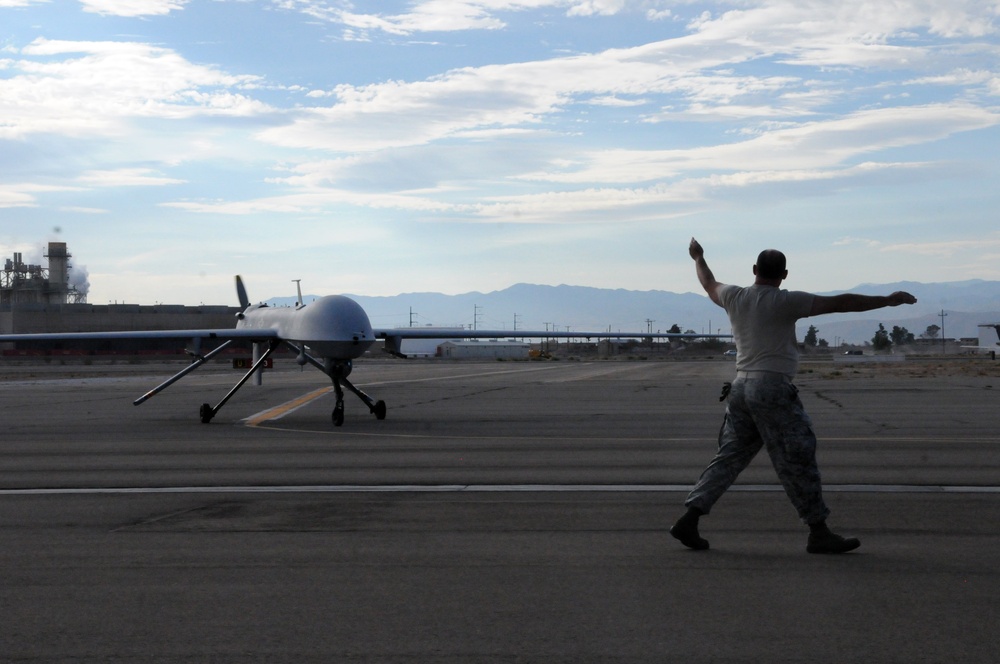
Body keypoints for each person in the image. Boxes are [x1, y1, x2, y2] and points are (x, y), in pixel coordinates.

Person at [671, 238, 917, 554]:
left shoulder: (734, 296)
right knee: (797, 457)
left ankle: (690, 519)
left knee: (730, 456)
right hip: (771, 389)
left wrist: (698, 257)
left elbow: (708, 283)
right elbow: (841, 302)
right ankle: (818, 532)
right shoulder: (786, 302)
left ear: (755, 270)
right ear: (784, 274)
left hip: (741, 388)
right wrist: (887, 300)